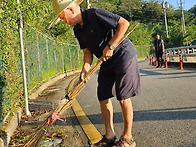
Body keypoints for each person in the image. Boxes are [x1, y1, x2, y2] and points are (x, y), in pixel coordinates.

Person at [49, 0, 141, 146]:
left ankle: (127, 138)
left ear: (71, 10)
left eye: (62, 17)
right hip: (105, 61)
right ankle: (109, 136)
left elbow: (124, 24)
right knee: (103, 95)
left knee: (123, 97)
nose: (64, 21)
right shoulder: (77, 30)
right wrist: (85, 68)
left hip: (123, 55)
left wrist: (110, 46)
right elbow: (87, 52)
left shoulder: (95, 14)